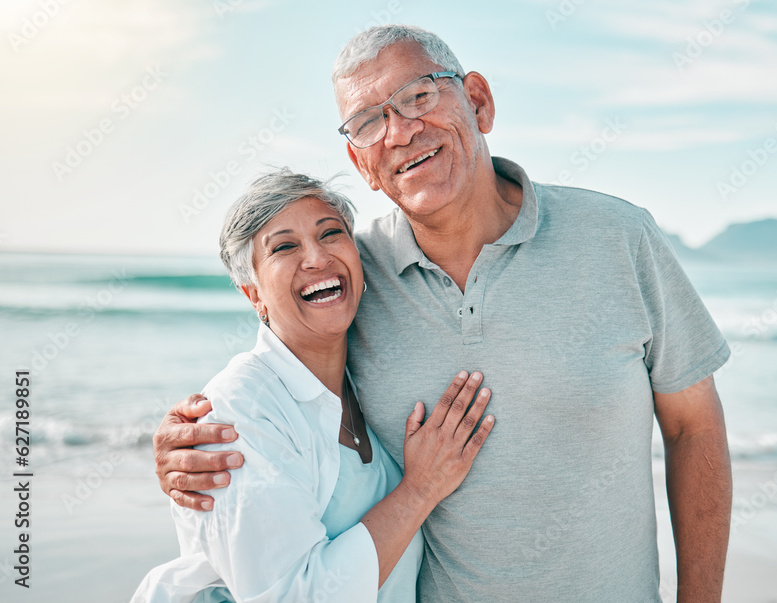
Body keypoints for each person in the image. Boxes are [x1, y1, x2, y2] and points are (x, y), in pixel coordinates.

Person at [154, 25, 733, 602]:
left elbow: (694, 426)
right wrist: (191, 442)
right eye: (369, 121)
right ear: (361, 162)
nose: (401, 131)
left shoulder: (619, 238)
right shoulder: (354, 272)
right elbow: (285, 373)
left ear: (477, 101)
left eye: (418, 96)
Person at [133, 170, 494, 602]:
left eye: (331, 234)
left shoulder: (363, 379)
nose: (317, 258)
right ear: (253, 294)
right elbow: (293, 596)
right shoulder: (239, 410)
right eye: (285, 246)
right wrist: (420, 490)